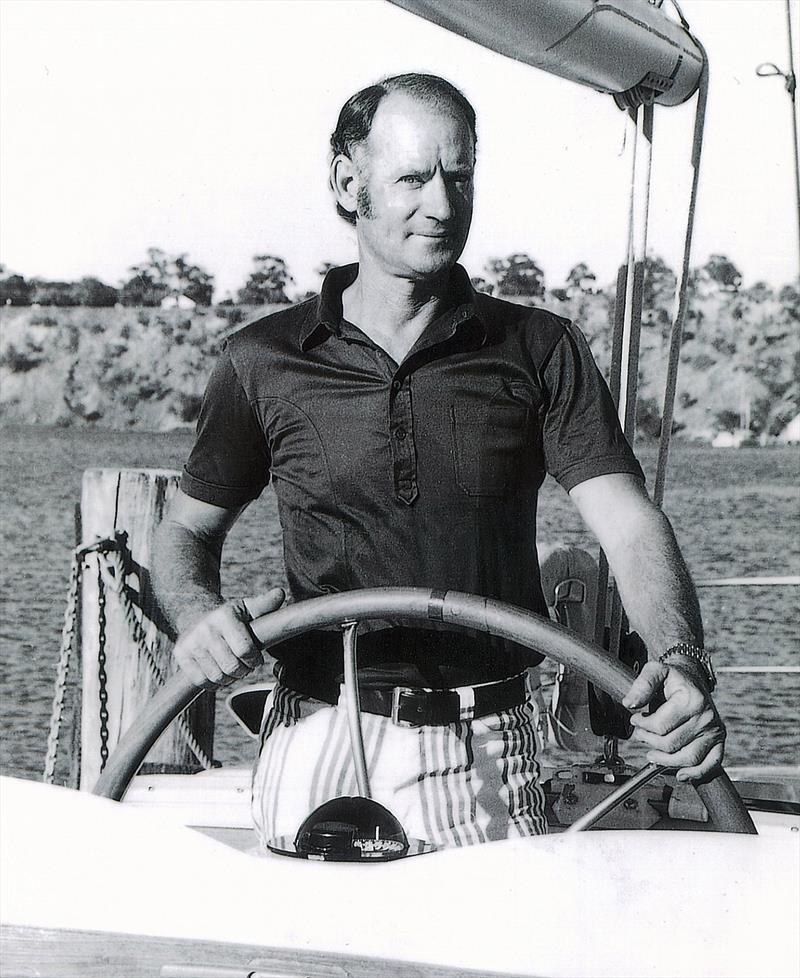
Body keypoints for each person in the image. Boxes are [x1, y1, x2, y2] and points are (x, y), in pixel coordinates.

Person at [153, 73, 724, 850]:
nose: (444, 205)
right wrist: (196, 617)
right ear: (347, 183)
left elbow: (627, 525)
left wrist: (681, 658)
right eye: (414, 178)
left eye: (460, 176)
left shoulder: (539, 347)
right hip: (317, 734)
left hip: (488, 749)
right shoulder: (262, 360)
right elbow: (186, 531)